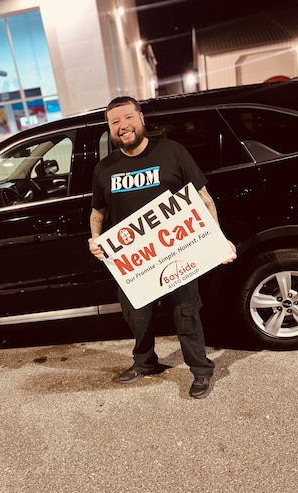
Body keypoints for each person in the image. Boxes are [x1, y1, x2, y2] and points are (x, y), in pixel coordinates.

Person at [88, 96, 236, 399]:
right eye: (115, 122)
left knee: (186, 314)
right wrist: (95, 239)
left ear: (141, 119)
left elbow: (203, 197)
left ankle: (201, 370)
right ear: (109, 128)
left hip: (177, 255)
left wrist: (218, 239)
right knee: (137, 317)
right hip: (134, 263)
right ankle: (145, 363)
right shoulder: (105, 168)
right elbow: (97, 211)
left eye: (128, 118)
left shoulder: (172, 151)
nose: (123, 126)